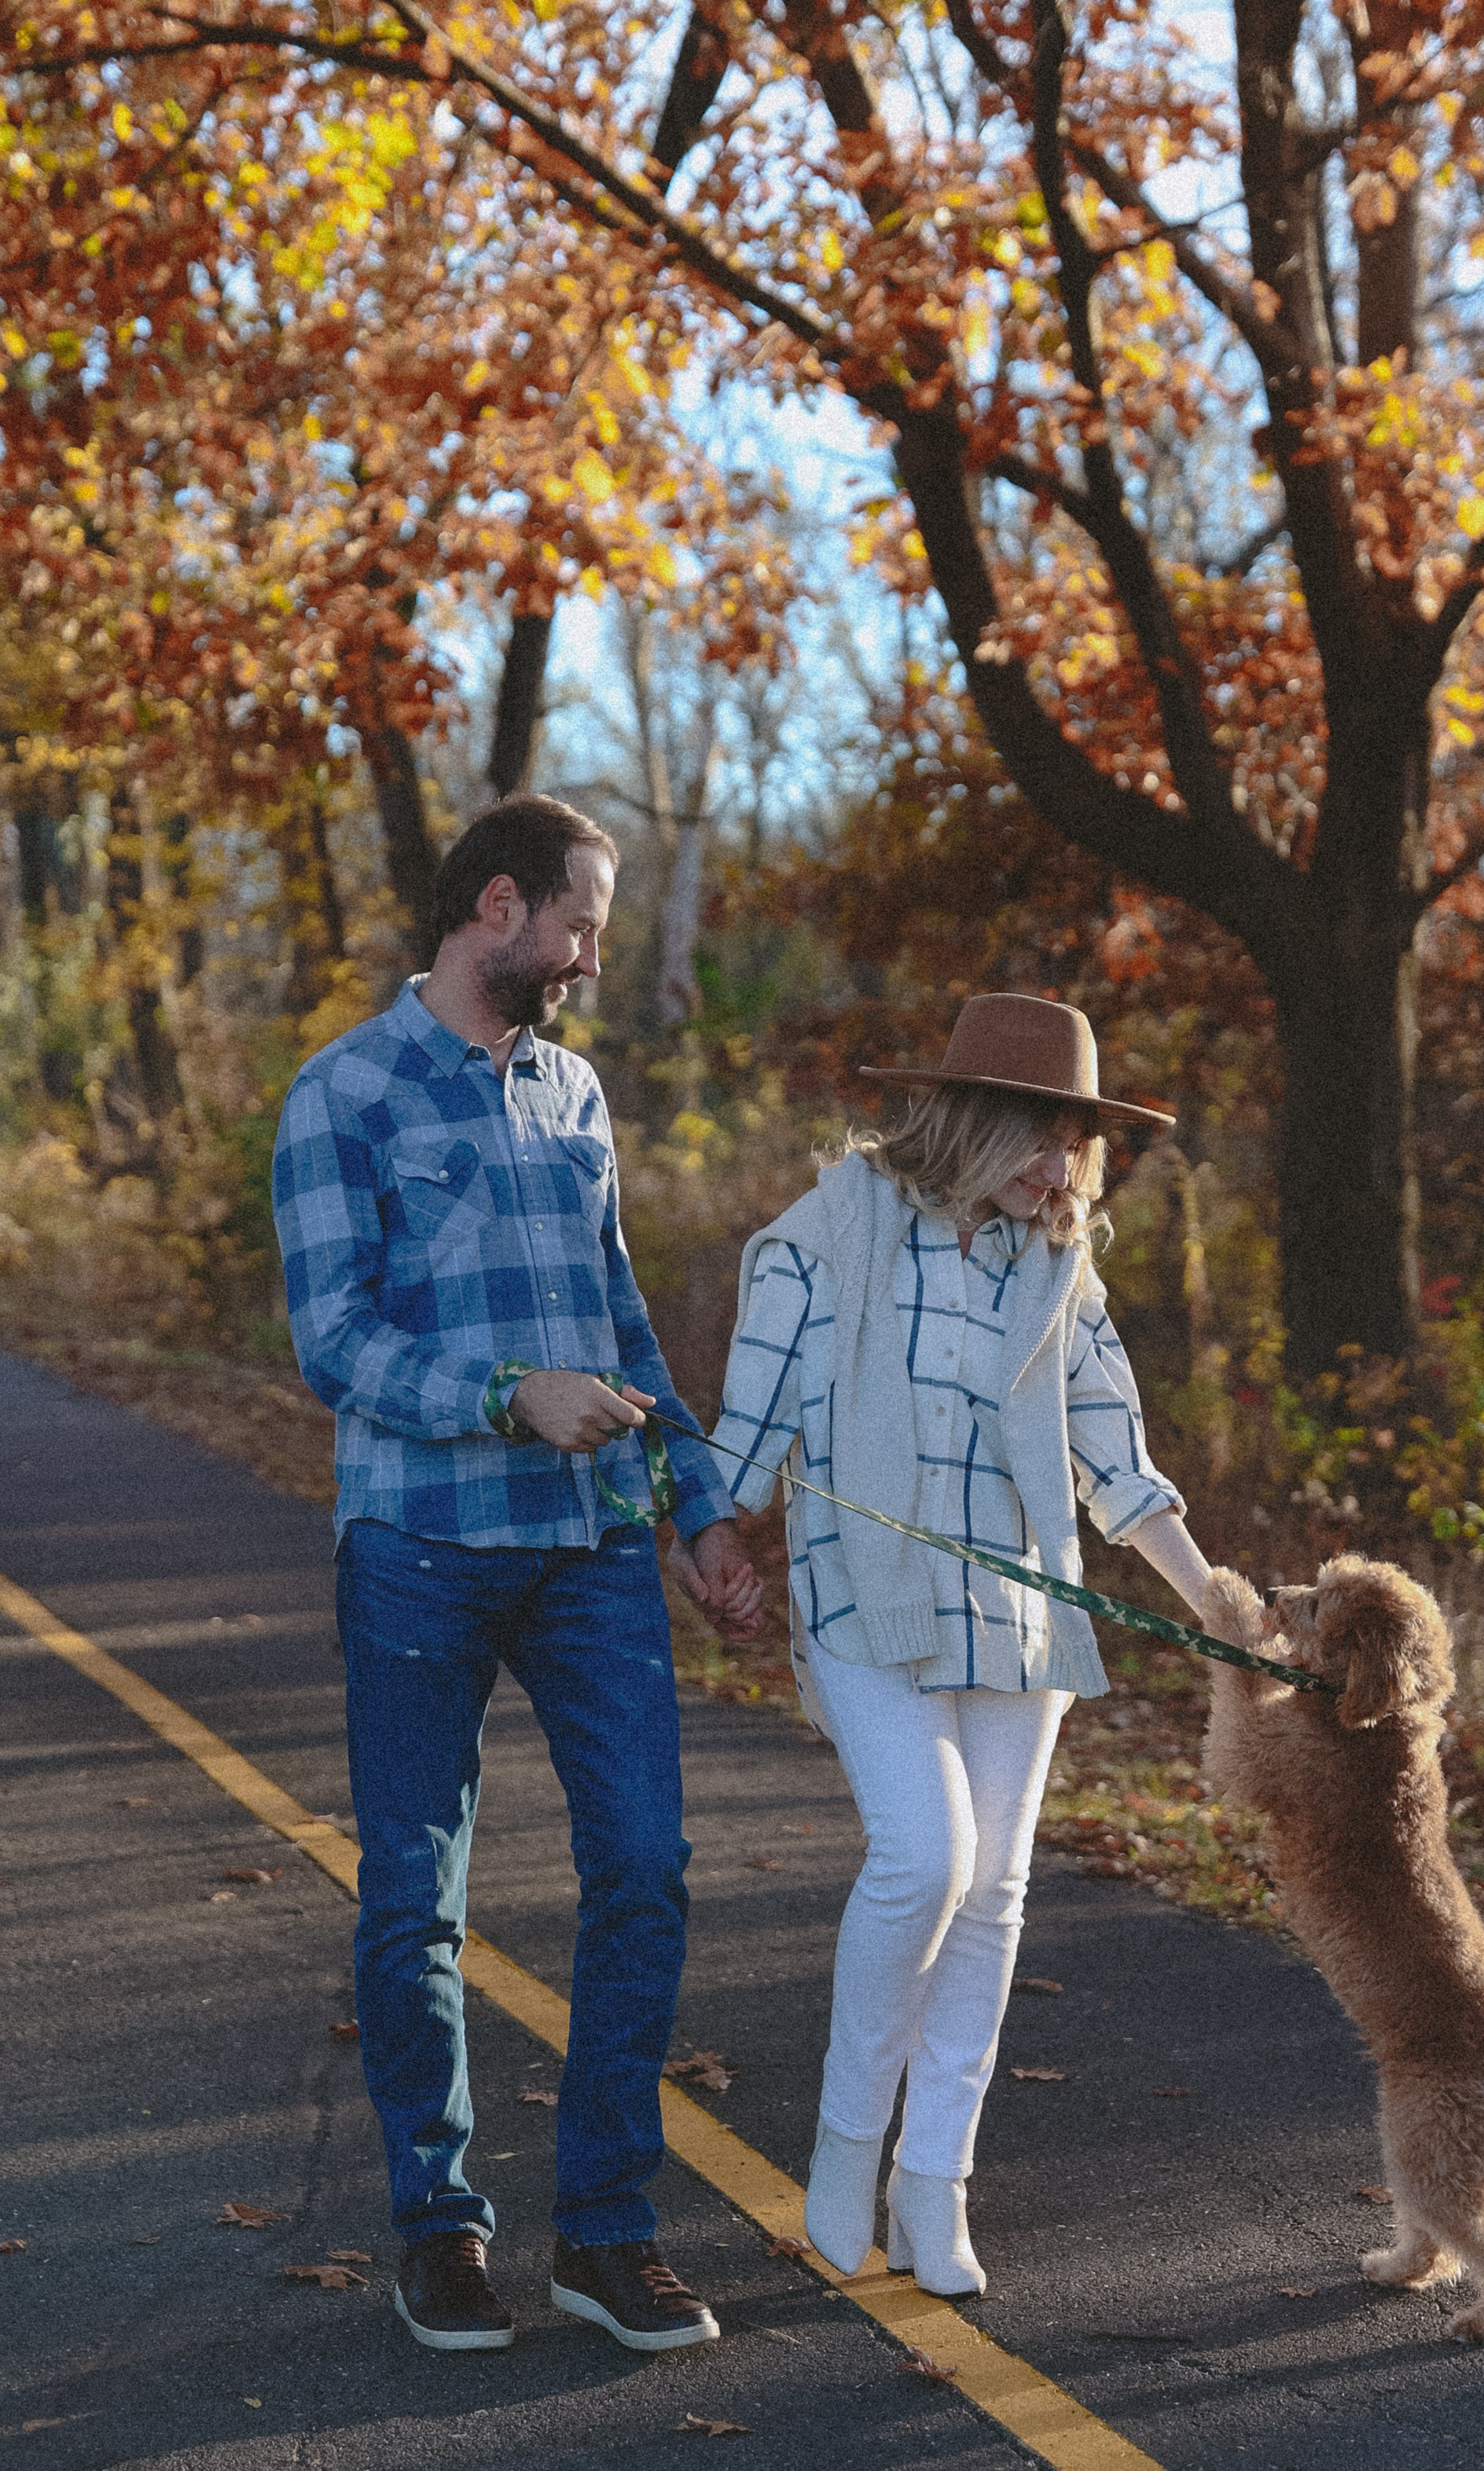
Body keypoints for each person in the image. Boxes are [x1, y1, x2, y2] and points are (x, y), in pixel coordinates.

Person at [271, 795, 761, 2356]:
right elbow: (332, 1338)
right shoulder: (338, 1093)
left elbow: (620, 1323)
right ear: (498, 906)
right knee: (416, 1898)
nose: (592, 954)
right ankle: (441, 2227)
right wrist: (503, 1395)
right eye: (581, 922)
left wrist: (697, 1507)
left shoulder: (574, 1091)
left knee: (645, 1866)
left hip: (594, 1543)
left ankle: (607, 2233)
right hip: (416, 1546)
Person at [710, 993, 1212, 2296]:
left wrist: (1209, 1598)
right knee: (923, 1859)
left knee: (993, 1894)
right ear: (968, 1117)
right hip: (865, 1593)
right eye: (1042, 1134)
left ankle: (935, 2186)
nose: (1061, 1168)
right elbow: (750, 1424)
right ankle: (843, 2148)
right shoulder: (828, 1235)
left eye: (1077, 1144)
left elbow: (1118, 1461)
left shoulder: (1056, 1269)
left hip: (1020, 1605)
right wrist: (708, 1531)